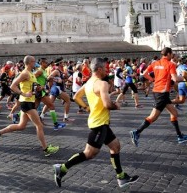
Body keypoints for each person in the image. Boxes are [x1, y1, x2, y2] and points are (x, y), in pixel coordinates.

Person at [53, 57, 138, 188]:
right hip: (99, 124)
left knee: (115, 147)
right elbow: (107, 104)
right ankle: (62, 168)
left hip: (101, 122)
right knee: (89, 153)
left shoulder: (88, 83)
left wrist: (87, 108)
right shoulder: (101, 84)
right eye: (105, 68)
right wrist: (116, 106)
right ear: (99, 69)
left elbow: (76, 97)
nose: (107, 71)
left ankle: (121, 177)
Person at [0, 55, 59, 157]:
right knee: (39, 125)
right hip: (26, 102)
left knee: (21, 126)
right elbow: (13, 85)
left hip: (29, 102)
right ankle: (46, 149)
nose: (36, 63)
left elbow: (32, 87)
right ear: (30, 62)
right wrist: (23, 93)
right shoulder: (25, 73)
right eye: (34, 61)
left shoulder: (31, 74)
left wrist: (39, 89)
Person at [130, 47, 187, 146]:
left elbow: (144, 73)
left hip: (158, 91)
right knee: (153, 117)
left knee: (174, 113)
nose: (172, 56)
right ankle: (137, 132)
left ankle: (180, 136)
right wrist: (185, 78)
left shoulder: (155, 63)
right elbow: (175, 79)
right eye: (171, 54)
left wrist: (153, 80)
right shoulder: (170, 64)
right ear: (168, 54)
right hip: (162, 93)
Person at [172, 56, 187, 120]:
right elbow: (184, 75)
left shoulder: (178, 67)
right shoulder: (185, 67)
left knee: (181, 100)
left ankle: (165, 102)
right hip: (185, 84)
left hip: (180, 84)